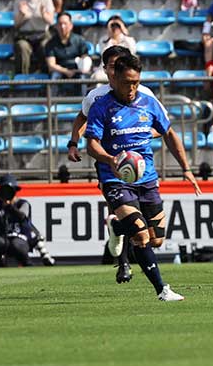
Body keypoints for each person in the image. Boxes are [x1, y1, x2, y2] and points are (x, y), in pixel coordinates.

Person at [85, 54, 202, 301]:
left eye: (136, 82)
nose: (132, 88)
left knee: (156, 240)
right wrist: (111, 161)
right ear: (114, 78)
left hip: (147, 179)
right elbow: (92, 145)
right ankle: (162, 289)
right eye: (127, 82)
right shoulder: (101, 107)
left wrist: (186, 169)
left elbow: (168, 133)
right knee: (140, 236)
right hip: (115, 179)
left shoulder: (148, 103)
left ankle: (117, 226)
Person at [68, 46, 166, 282]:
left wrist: (139, 134)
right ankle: (123, 264)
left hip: (139, 163)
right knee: (123, 211)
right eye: (111, 66)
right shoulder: (97, 97)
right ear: (106, 70)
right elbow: (82, 119)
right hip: (110, 164)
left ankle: (118, 233)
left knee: (150, 234)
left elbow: (161, 126)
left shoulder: (144, 93)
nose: (114, 70)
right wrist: (73, 143)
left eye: (118, 64)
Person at [14, 0, 54, 75]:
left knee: (46, 46)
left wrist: (43, 14)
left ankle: (46, 75)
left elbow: (51, 21)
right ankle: (22, 77)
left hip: (42, 34)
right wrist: (22, 15)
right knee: (22, 47)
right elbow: (16, 25)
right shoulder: (19, 0)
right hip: (25, 35)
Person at [45, 12, 91, 96]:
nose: (62, 27)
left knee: (83, 77)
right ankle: (52, 104)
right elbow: (51, 65)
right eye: (60, 24)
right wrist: (66, 71)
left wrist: (79, 69)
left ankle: (83, 103)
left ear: (71, 25)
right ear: (56, 26)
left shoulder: (79, 40)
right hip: (60, 70)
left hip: (77, 70)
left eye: (65, 24)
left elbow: (85, 58)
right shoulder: (50, 43)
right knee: (55, 76)